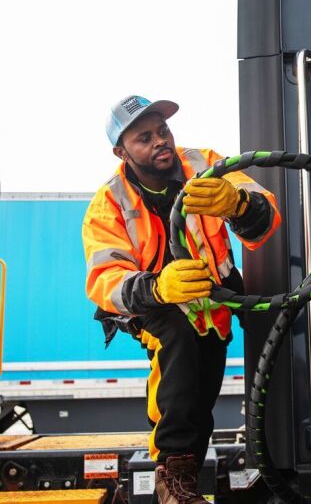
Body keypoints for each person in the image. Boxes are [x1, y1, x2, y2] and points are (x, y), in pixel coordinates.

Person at [82, 95, 281, 504]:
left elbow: (266, 219)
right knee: (179, 343)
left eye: (163, 131)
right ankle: (173, 476)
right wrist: (159, 288)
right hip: (156, 308)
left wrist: (238, 204)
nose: (160, 142)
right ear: (122, 152)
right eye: (144, 138)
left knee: (204, 383)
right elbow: (105, 280)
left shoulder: (205, 164)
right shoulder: (109, 203)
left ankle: (260, 456)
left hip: (214, 300)